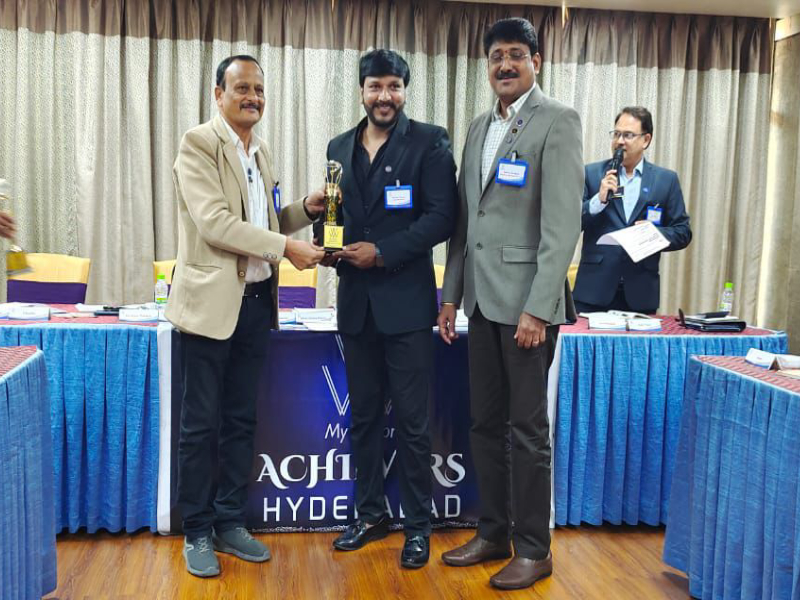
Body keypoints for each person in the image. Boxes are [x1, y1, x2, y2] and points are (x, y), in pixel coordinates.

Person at [437, 18, 582, 590]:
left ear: (536, 61)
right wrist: (450, 296)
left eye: (516, 54)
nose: (505, 65)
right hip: (480, 304)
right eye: (496, 56)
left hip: (527, 310)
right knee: (483, 424)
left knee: (527, 431)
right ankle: (493, 532)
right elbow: (465, 223)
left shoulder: (558, 120)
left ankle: (534, 548)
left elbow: (562, 227)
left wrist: (538, 308)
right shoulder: (478, 126)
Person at [166, 55, 325, 578]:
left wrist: (305, 209)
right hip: (210, 309)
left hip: (256, 304)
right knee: (200, 425)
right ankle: (196, 530)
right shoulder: (198, 144)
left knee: (240, 419)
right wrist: (287, 248)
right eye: (241, 88)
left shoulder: (261, 150)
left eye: (259, 89)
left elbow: (267, 219)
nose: (252, 97)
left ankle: (230, 521)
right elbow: (216, 223)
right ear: (218, 94)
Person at [321, 49, 457, 569]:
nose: (385, 96)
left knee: (413, 423)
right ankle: (371, 514)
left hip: (406, 308)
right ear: (361, 90)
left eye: (394, 86)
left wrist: (382, 252)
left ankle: (418, 527)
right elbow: (338, 215)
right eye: (375, 86)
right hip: (356, 306)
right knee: (363, 419)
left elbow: (442, 218)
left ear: (404, 90)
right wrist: (327, 244)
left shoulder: (430, 141)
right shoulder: (338, 146)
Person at [573, 106, 692, 314]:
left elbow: (683, 232)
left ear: (646, 140)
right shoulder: (591, 174)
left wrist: (655, 234)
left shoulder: (666, 180)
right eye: (616, 134)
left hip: (640, 293)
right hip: (593, 292)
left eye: (628, 135)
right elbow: (570, 223)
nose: (620, 141)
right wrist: (598, 201)